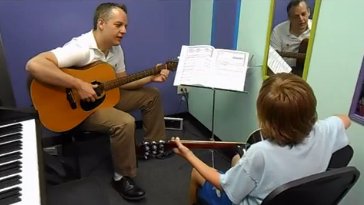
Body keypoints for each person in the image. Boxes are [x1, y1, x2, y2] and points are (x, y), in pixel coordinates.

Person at [26, 2, 171, 201]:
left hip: (105, 97)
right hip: (78, 109)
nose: (124, 31)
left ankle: (154, 145)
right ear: (101, 23)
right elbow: (34, 65)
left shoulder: (115, 49)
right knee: (125, 122)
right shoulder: (81, 48)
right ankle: (122, 176)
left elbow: (123, 81)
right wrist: (78, 84)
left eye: (126, 26)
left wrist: (151, 77)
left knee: (152, 95)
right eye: (118, 25)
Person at [172, 73, 351, 205]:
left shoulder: (261, 152)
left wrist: (188, 155)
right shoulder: (324, 130)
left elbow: (224, 186)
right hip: (298, 198)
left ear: (265, 118)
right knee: (237, 159)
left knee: (197, 173)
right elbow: (346, 119)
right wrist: (312, 122)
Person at [270, 0, 311, 76]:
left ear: (308, 12)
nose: (301, 19)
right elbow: (273, 58)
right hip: (284, 74)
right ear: (289, 18)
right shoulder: (278, 31)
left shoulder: (317, 29)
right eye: (296, 16)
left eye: (303, 14)